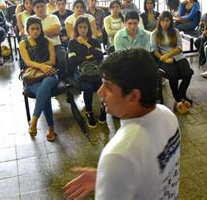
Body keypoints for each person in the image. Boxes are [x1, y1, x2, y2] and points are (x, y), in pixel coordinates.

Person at [63, 48, 180, 199]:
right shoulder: (167, 116)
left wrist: (114, 172)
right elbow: (156, 169)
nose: (99, 92)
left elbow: (128, 159)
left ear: (133, 96)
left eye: (108, 87)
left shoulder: (119, 154)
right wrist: (111, 178)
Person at [19, 17, 59, 142]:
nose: (35, 31)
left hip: (50, 74)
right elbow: (27, 62)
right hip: (32, 77)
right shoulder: (23, 43)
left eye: (38, 28)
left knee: (46, 84)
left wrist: (42, 66)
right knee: (45, 93)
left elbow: (52, 62)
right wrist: (41, 65)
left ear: (41, 29)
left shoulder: (48, 42)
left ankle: (34, 119)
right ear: (27, 30)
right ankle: (51, 128)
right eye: (32, 29)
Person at [151, 11, 194, 114]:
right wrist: (164, 58)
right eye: (162, 21)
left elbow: (179, 47)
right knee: (173, 75)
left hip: (178, 56)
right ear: (159, 21)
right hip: (163, 59)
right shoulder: (155, 33)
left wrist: (168, 55)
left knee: (188, 73)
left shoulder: (175, 31)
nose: (165, 23)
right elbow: (154, 50)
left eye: (167, 20)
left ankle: (180, 95)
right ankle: (179, 100)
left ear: (170, 21)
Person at [68, 17, 105, 128]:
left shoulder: (94, 41)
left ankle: (104, 108)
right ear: (76, 28)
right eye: (80, 27)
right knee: (88, 87)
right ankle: (89, 112)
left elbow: (100, 56)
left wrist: (86, 44)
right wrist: (89, 56)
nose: (83, 30)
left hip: (95, 70)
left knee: (103, 85)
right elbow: (72, 61)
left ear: (88, 28)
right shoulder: (72, 43)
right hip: (81, 71)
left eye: (85, 27)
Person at [31, 0, 67, 79]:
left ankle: (62, 79)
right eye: (37, 7)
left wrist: (38, 33)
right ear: (34, 9)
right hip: (37, 47)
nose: (40, 9)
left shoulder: (53, 17)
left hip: (55, 45)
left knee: (62, 58)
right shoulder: (31, 19)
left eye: (42, 6)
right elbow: (30, 35)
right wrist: (49, 32)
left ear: (45, 7)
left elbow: (57, 30)